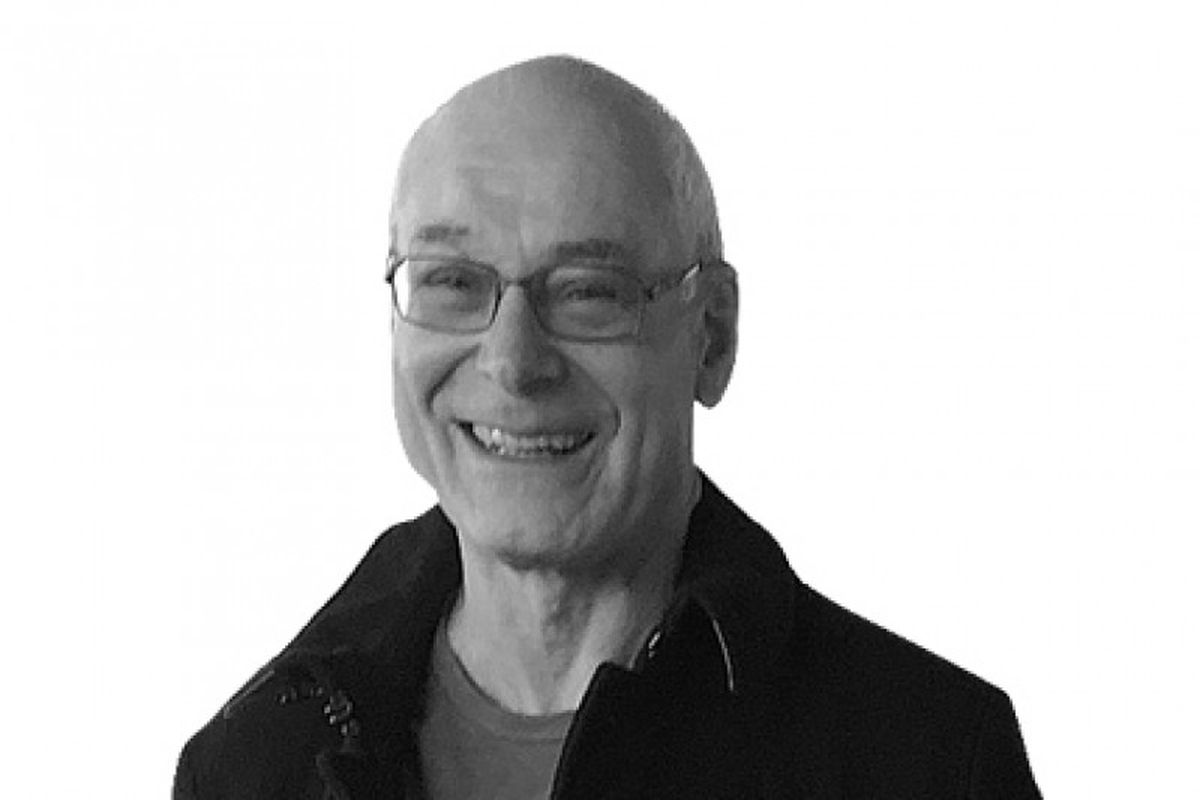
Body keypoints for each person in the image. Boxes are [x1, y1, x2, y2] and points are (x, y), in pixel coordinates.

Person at [174, 55, 1041, 799]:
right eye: (452, 283)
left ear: (712, 337)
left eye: (588, 291)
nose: (513, 361)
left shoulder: (927, 764)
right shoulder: (253, 765)